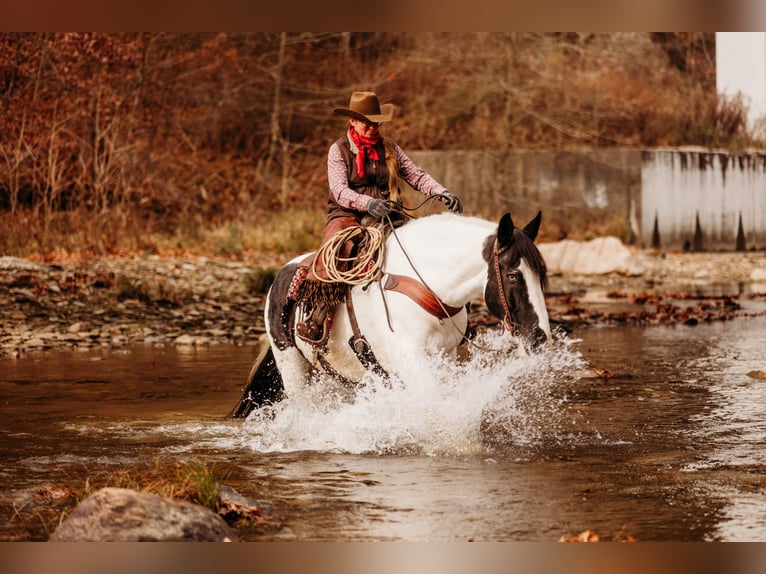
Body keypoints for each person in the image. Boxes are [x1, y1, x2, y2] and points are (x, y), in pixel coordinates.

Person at [295, 90, 463, 343]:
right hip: (347, 214)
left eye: (376, 123)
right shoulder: (338, 150)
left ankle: (454, 315)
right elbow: (340, 191)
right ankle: (319, 316)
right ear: (352, 121)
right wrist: (367, 202)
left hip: (387, 214)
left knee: (426, 245)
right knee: (338, 251)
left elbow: (415, 175)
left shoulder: (391, 149)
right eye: (367, 122)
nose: (372, 127)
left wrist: (441, 192)